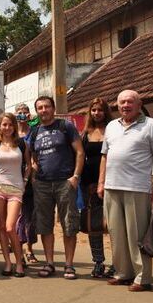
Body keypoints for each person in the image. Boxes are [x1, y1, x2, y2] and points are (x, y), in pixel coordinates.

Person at [98, 90, 153, 292]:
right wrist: (101, 182)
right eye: (122, 102)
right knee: (116, 233)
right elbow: (105, 156)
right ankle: (122, 273)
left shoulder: (151, 125)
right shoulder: (111, 126)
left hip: (137, 187)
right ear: (117, 105)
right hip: (112, 187)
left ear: (139, 104)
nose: (125, 105)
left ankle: (142, 277)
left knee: (138, 235)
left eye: (130, 102)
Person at [29, 95, 84, 279]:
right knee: (45, 225)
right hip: (42, 184)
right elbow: (32, 156)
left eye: (46, 106)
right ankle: (49, 263)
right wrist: (34, 176)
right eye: (40, 108)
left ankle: (69, 265)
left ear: (53, 109)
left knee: (69, 224)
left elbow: (80, 152)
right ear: (36, 111)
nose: (43, 110)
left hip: (64, 182)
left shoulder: (65, 126)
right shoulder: (35, 131)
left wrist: (75, 177)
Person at [0, 113, 31, 277]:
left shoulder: (22, 143)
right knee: (2, 227)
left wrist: (25, 180)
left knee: (11, 227)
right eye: (4, 124)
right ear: (0, 126)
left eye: (10, 124)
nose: (7, 127)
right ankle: (8, 263)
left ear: (14, 126)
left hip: (16, 189)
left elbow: (29, 165)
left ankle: (19, 262)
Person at [81, 97, 114, 278]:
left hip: (113, 182)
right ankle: (98, 262)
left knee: (114, 224)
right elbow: (80, 156)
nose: (97, 113)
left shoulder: (114, 130)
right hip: (90, 184)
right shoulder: (85, 133)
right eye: (93, 110)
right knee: (94, 225)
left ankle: (118, 263)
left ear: (105, 111)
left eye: (100, 110)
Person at [15, 103, 38, 264]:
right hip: (13, 179)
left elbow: (36, 157)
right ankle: (19, 250)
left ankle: (29, 249)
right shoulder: (11, 133)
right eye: (19, 112)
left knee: (30, 216)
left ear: (29, 115)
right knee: (17, 216)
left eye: (25, 112)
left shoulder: (34, 132)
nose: (22, 115)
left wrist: (33, 173)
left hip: (31, 179)